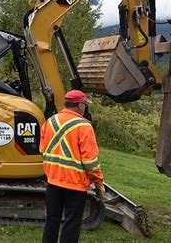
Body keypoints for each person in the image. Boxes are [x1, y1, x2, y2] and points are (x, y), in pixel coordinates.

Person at [40, 89, 104, 243]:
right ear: (80, 106)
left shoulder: (50, 121)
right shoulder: (84, 126)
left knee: (52, 219)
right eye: (85, 105)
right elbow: (90, 162)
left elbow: (43, 150)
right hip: (75, 184)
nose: (85, 108)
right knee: (72, 222)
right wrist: (98, 181)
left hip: (53, 181)